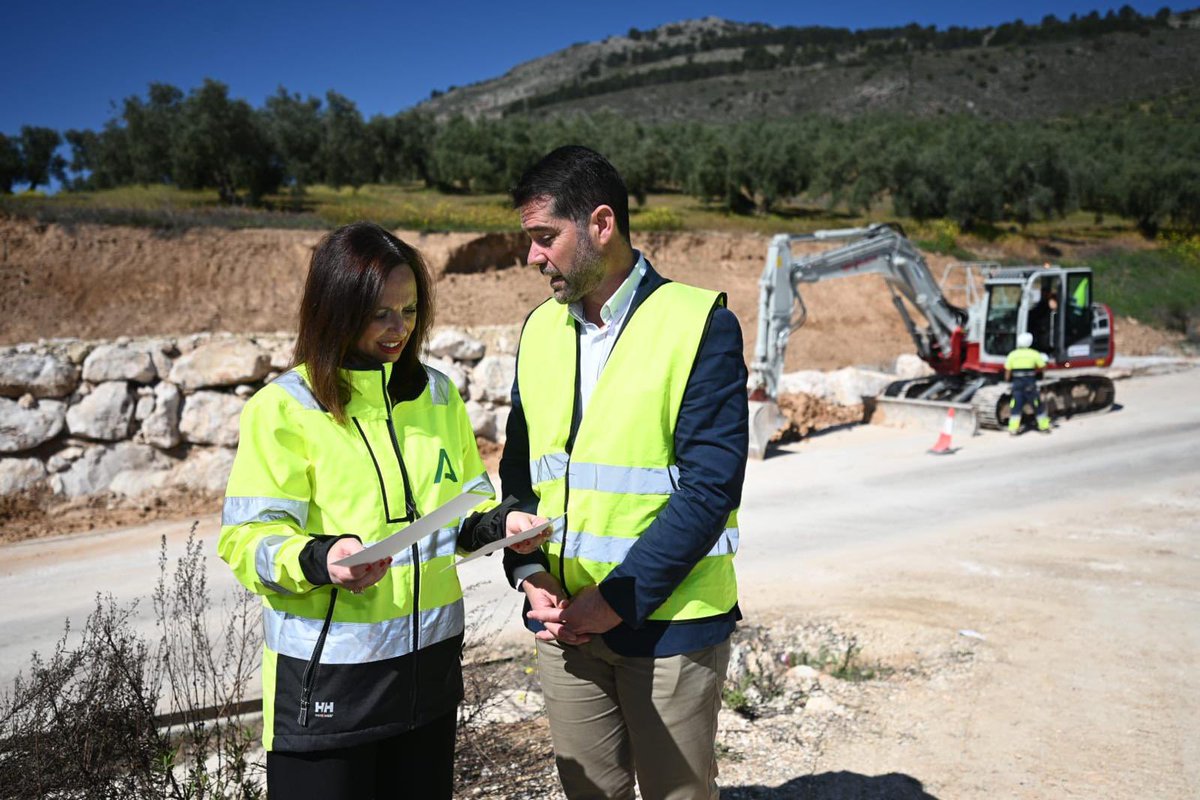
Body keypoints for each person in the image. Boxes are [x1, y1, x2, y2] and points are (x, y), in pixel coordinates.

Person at [218, 222, 548, 800]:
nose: (400, 329)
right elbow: (247, 541)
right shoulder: (284, 409)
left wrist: (503, 527)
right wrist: (321, 559)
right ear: (336, 310)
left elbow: (461, 517)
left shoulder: (438, 396)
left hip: (428, 683)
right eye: (380, 314)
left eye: (410, 310)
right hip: (329, 692)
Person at [500, 145, 748, 800]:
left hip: (668, 623)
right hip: (565, 624)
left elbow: (710, 489)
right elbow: (521, 471)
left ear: (601, 224)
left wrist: (611, 603)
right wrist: (529, 572)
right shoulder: (539, 330)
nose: (532, 257)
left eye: (545, 237)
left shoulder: (699, 324)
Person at [1004, 331, 1051, 435]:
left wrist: (1007, 381)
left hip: (1017, 385)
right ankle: (1044, 427)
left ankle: (1013, 429)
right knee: (1037, 406)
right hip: (1030, 385)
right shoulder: (1034, 354)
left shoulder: (1012, 354)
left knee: (1016, 407)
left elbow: (1008, 371)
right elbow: (1043, 367)